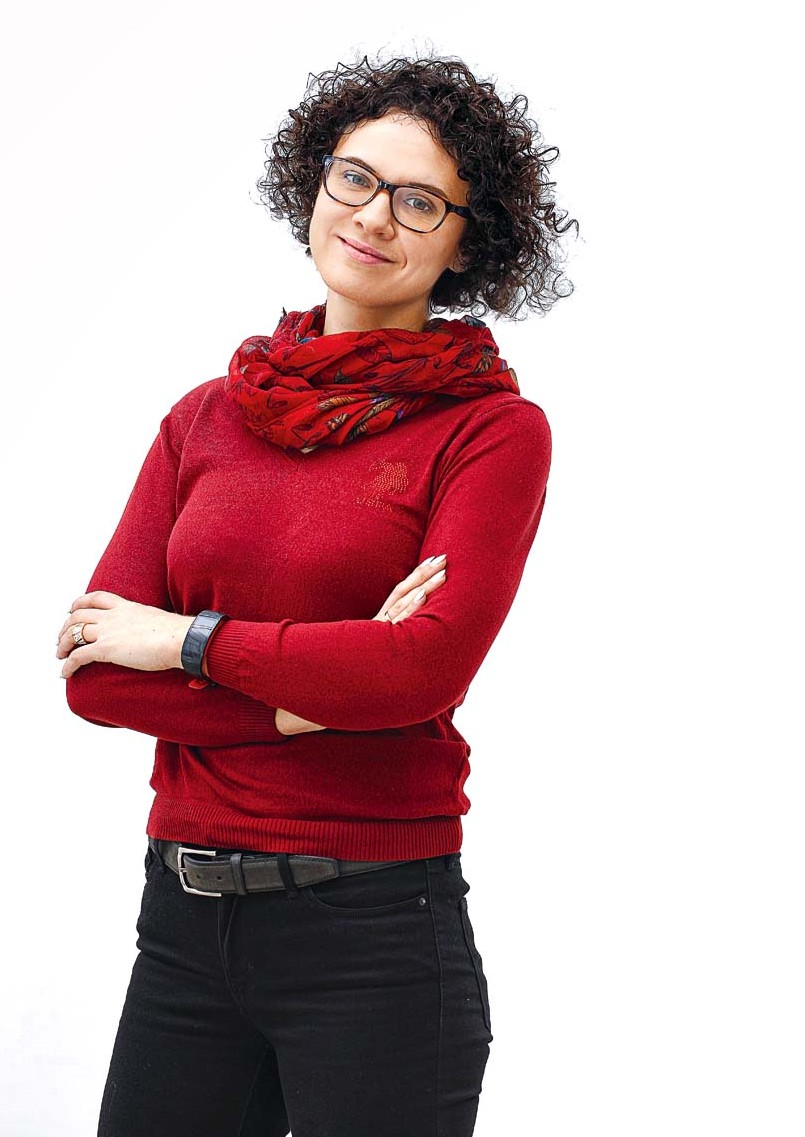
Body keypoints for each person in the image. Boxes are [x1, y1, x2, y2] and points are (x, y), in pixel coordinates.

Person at [56, 51, 577, 1137]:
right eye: (356, 178)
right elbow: (96, 675)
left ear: (467, 242)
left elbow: (417, 670)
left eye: (419, 202)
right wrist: (309, 696)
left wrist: (185, 640)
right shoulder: (206, 416)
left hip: (375, 937)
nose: (374, 216)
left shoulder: (489, 432)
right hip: (181, 927)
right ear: (314, 181)